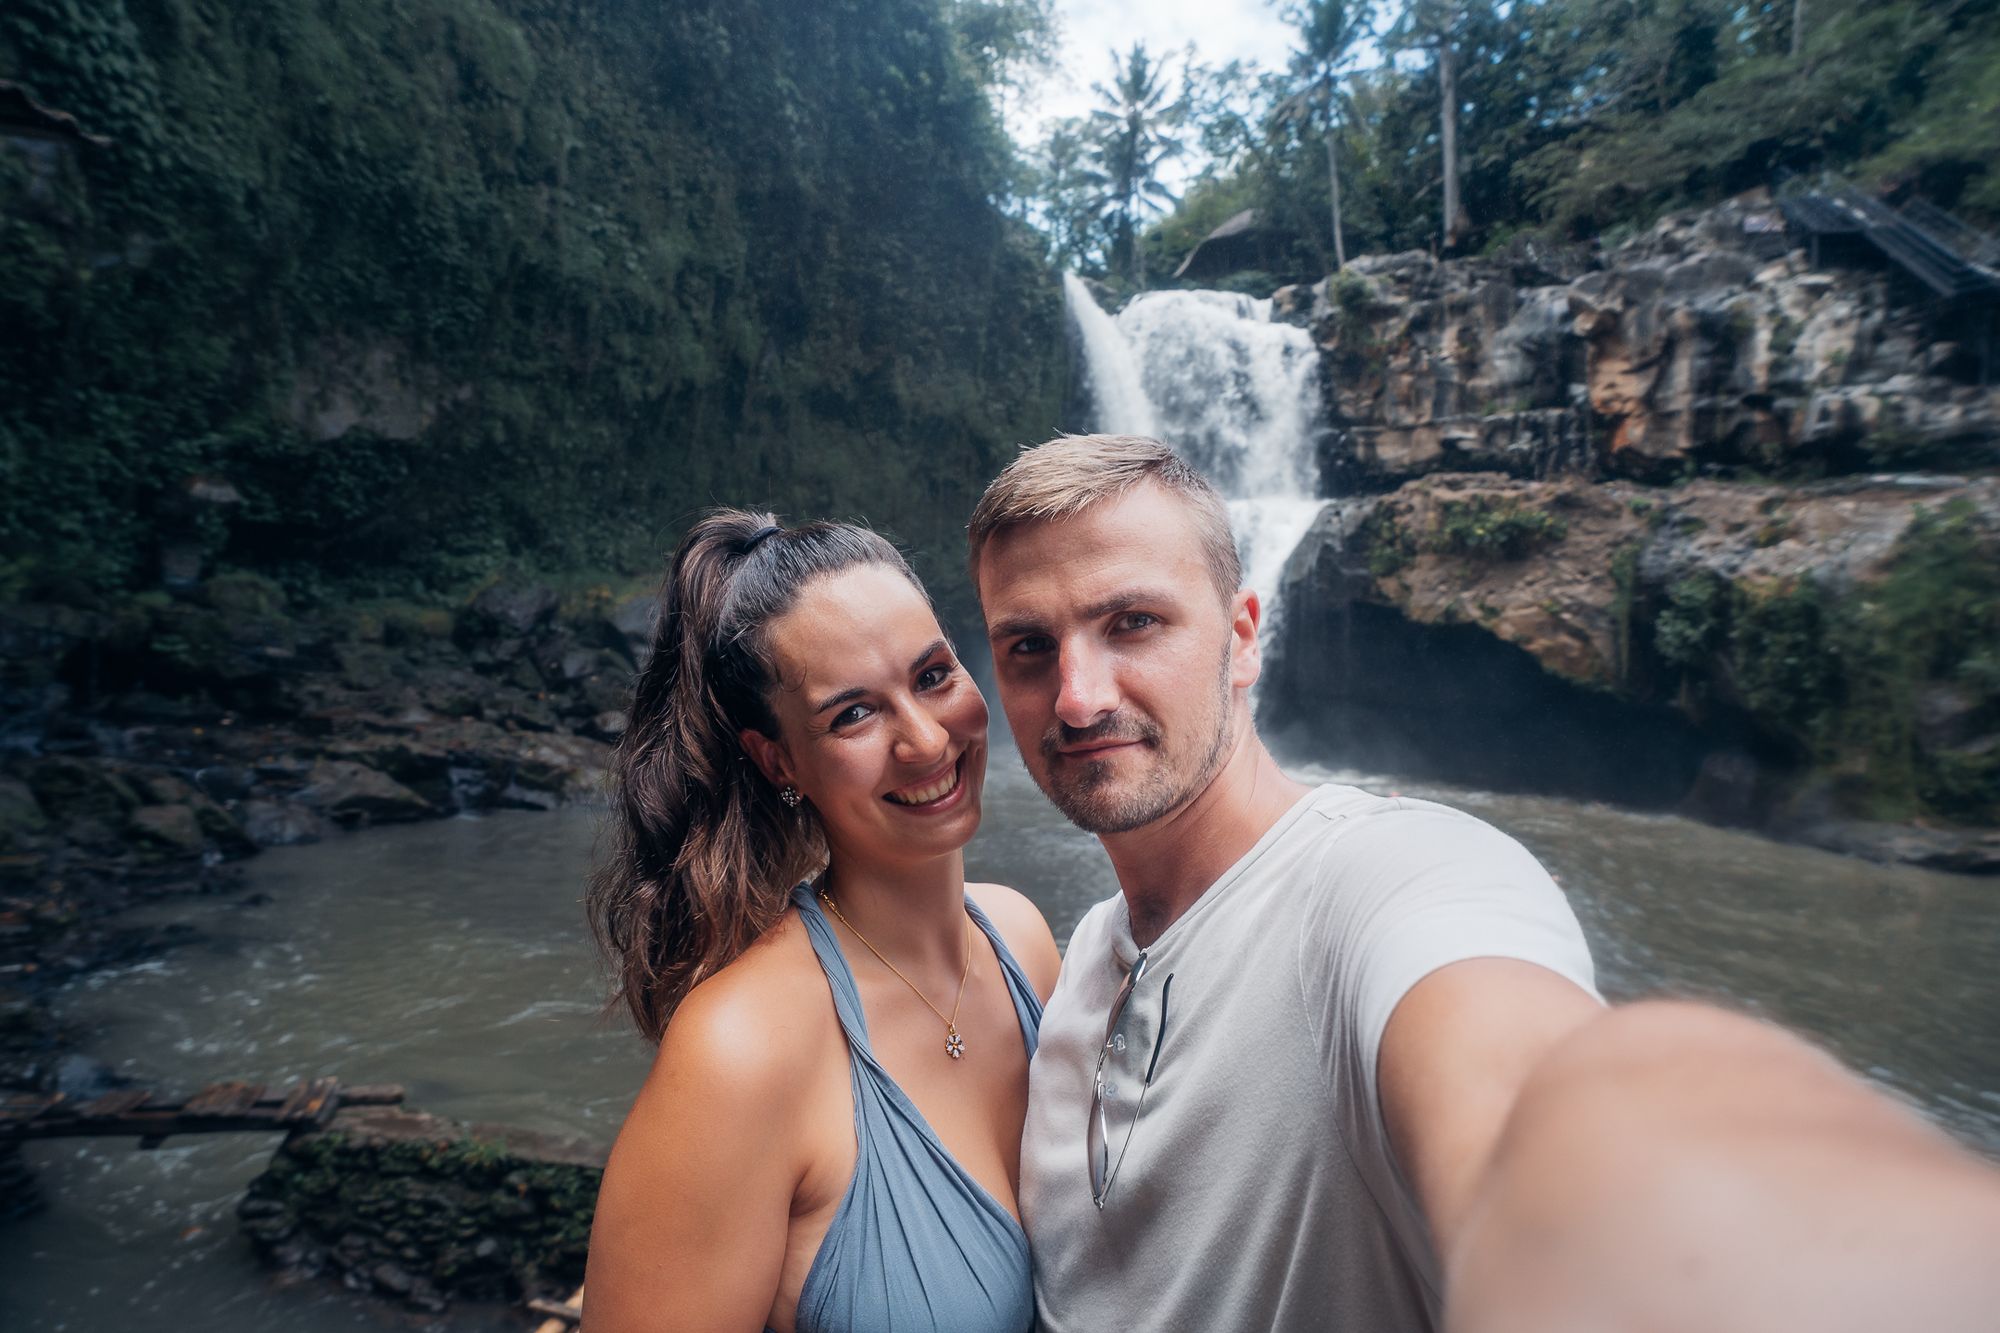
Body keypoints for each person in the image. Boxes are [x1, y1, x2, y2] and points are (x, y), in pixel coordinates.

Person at [968, 434, 2000, 1333]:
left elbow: (1538, 1092)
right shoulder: (1080, 972)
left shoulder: (1387, 880)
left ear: (1242, 639)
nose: (1077, 694)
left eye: (1133, 623)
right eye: (1028, 648)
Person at [582, 510, 1061, 1333]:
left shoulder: (1020, 938)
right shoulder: (742, 1049)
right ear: (778, 760)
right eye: (853, 715)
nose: (924, 739)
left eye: (934, 675)